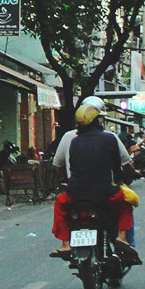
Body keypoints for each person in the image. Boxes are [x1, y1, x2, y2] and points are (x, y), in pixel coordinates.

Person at [49, 96, 136, 258]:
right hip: (104, 193)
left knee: (60, 205)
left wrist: (69, 183)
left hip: (76, 194)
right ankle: (122, 238)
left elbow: (66, 167)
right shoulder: (110, 138)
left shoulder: (73, 140)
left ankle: (65, 244)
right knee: (125, 203)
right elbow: (117, 168)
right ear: (98, 120)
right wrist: (119, 184)